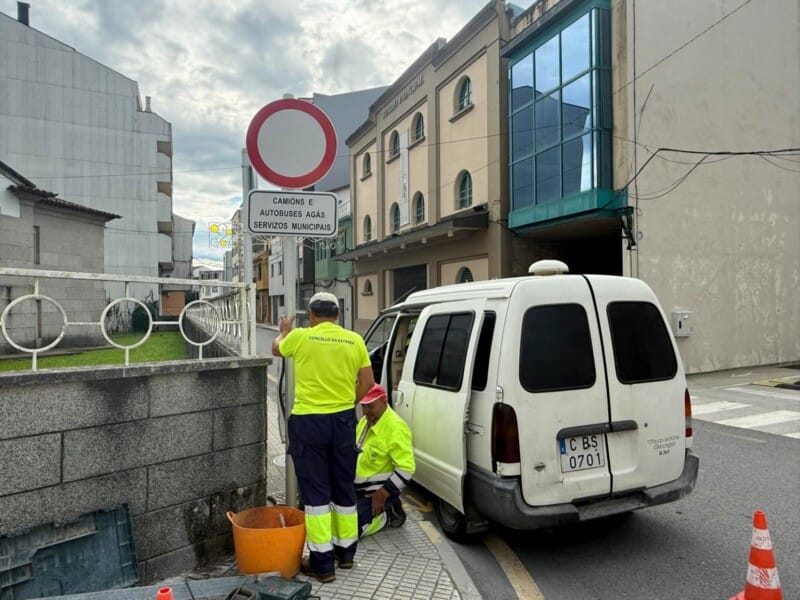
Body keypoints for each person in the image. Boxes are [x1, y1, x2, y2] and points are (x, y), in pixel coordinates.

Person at [272, 292, 374, 584]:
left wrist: (284, 332)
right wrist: (347, 403)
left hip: (309, 422)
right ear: (338, 316)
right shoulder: (354, 340)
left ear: (311, 315)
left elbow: (276, 349)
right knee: (343, 486)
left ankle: (322, 564)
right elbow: (368, 383)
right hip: (343, 421)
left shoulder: (301, 337)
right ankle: (346, 554)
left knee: (316, 493)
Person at [355, 383, 415, 537]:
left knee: (348, 530)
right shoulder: (366, 421)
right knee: (334, 517)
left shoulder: (396, 428)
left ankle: (386, 515)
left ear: (383, 401)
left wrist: (382, 493)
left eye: (370, 406)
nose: (365, 411)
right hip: (358, 489)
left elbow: (406, 469)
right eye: (363, 406)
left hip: (376, 493)